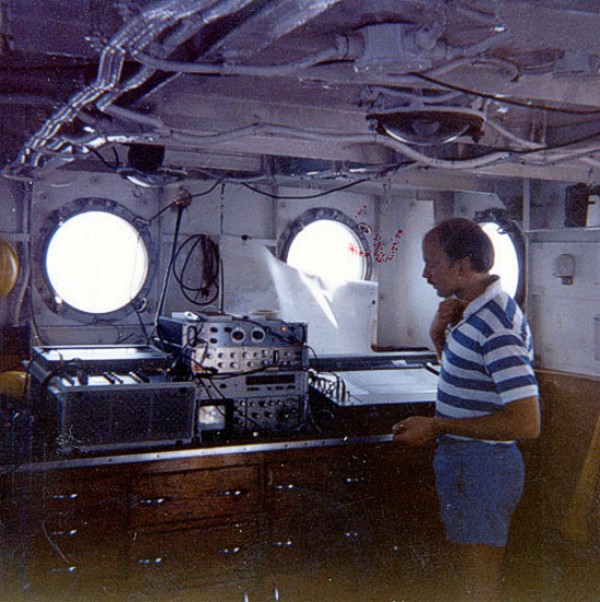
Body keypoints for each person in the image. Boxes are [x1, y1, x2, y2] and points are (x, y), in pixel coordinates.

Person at [392, 218, 540, 602]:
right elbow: (471, 378)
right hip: (464, 461)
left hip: (484, 466)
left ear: (462, 266)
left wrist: (438, 425)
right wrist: (437, 337)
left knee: (477, 582)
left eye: (431, 263)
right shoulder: (471, 311)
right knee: (464, 574)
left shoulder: (497, 324)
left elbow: (526, 423)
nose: (425, 273)